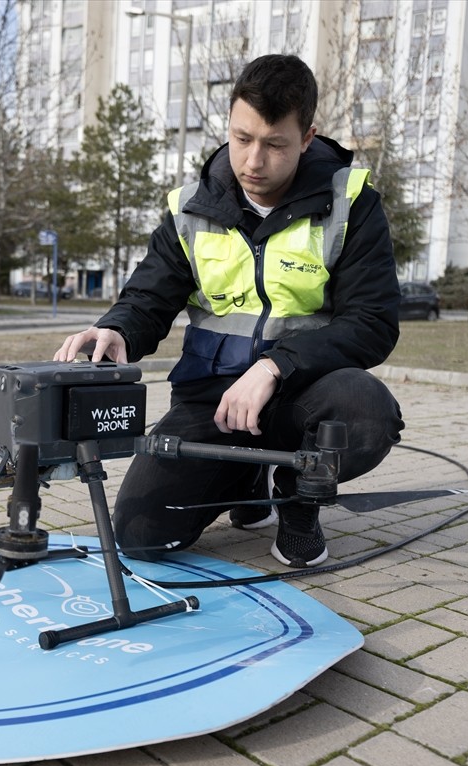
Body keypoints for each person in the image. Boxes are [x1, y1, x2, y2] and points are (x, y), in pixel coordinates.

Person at [53, 54, 405, 568]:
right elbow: (149, 297)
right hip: (210, 402)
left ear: (307, 138)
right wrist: (116, 328)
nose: (252, 162)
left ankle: (297, 495)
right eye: (242, 138)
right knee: (141, 536)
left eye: (274, 144)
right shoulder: (191, 207)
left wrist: (275, 365)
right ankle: (245, 476)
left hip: (302, 395)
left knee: (366, 411)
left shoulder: (352, 204)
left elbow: (373, 323)